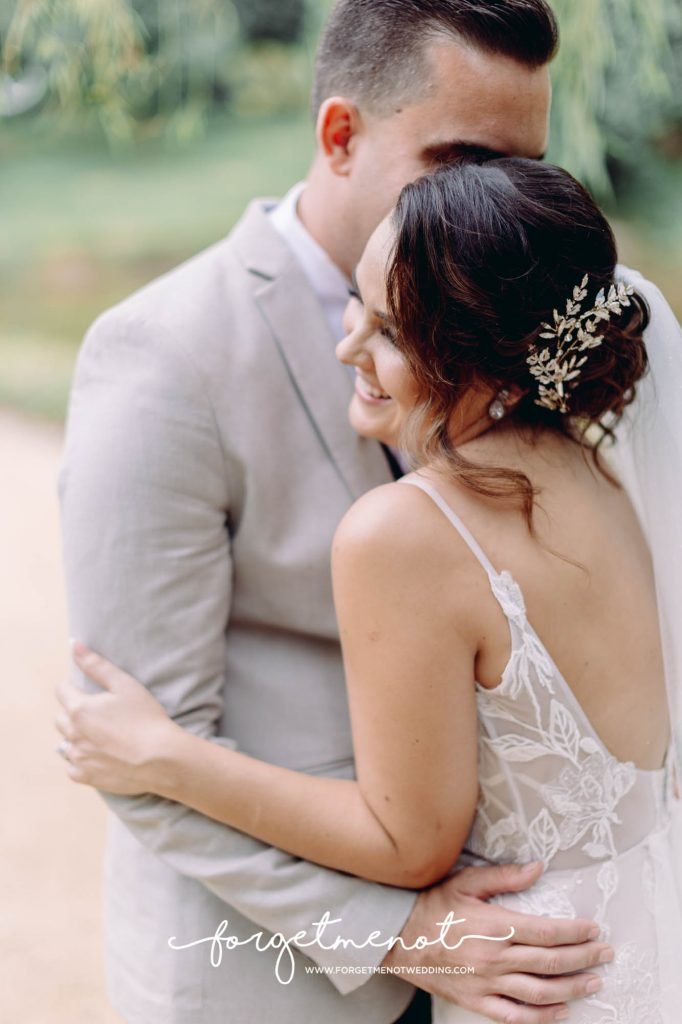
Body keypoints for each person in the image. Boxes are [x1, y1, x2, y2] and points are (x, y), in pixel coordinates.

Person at [57, 3, 617, 1023]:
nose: (494, 202)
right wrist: (406, 936)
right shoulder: (163, 354)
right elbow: (137, 748)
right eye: (461, 162)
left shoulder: (536, 333)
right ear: (341, 134)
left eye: (525, 169)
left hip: (533, 955)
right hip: (273, 982)